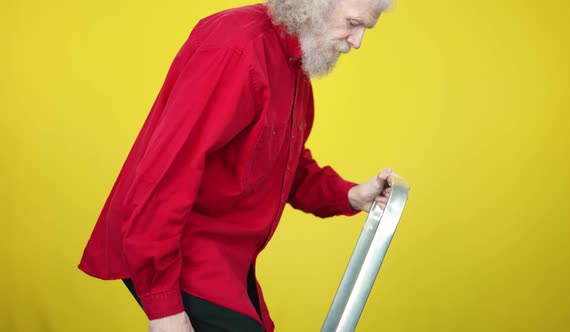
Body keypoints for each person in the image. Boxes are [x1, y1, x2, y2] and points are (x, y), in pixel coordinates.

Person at [79, 0, 401, 331]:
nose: (357, 42)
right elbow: (166, 173)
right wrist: (164, 311)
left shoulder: (294, 66)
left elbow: (285, 167)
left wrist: (350, 195)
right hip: (178, 252)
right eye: (352, 23)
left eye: (365, 29)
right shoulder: (236, 47)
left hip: (229, 260)